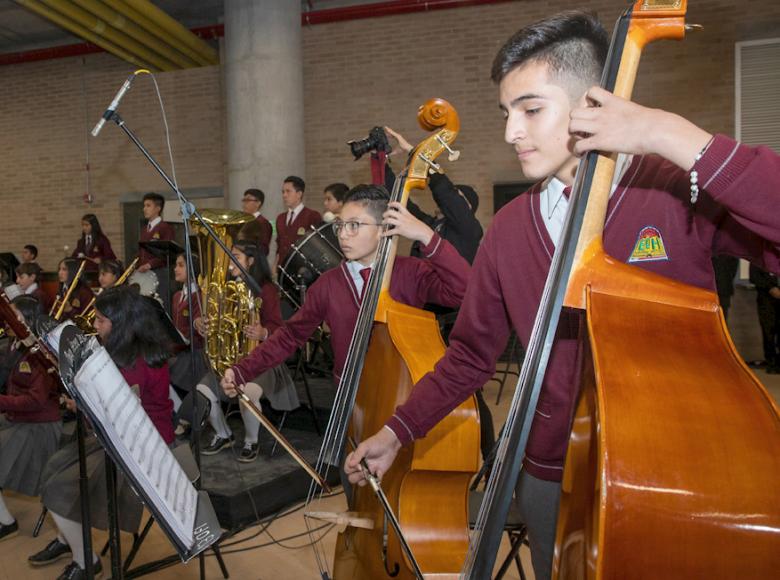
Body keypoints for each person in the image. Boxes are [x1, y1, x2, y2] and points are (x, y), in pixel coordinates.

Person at [344, 12, 780, 580]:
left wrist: (667, 135)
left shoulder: (674, 190)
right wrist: (395, 430)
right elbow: (471, 358)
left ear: (591, 104)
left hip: (681, 470)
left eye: (530, 109)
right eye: (506, 113)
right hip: (551, 469)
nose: (510, 132)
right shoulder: (507, 229)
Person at [221, 183, 471, 406]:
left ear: (383, 228)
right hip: (351, 397)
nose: (342, 234)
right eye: (340, 225)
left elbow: (463, 291)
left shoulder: (411, 271)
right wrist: (242, 371)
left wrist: (426, 236)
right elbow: (290, 335)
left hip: (406, 393)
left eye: (354, 226)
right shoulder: (328, 284)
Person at [30, 285, 173, 579]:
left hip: (143, 448)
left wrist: (79, 401)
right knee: (54, 468)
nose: (94, 326)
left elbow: (120, 415)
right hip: (120, 436)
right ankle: (67, 537)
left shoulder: (136, 361)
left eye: (100, 321)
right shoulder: (128, 348)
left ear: (120, 323)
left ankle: (86, 561)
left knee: (59, 488)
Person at [198, 241, 298, 462]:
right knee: (202, 390)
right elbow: (215, 320)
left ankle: (251, 441)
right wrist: (201, 323)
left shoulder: (266, 289)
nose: (230, 262)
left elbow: (279, 327)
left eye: (236, 257)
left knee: (247, 394)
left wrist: (263, 332)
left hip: (262, 360)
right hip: (231, 360)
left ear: (251, 261)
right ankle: (224, 433)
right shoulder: (225, 287)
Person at [0, 296, 62, 542]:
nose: (7, 321)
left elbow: (36, 401)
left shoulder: (40, 352)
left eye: (13, 315)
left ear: (26, 320)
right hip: (19, 418)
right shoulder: (16, 344)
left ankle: (6, 521)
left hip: (39, 426)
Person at [384, 126, 484, 264]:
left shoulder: (469, 229)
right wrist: (380, 161)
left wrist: (412, 150)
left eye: (459, 197)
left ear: (468, 207)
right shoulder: (430, 224)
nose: (453, 199)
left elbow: (446, 193)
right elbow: (400, 200)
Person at [137, 192, 175, 312]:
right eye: (144, 206)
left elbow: (167, 252)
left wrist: (150, 264)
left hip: (160, 273)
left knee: (160, 305)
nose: (144, 209)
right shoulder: (144, 229)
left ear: (158, 208)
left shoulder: (165, 228)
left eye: (148, 206)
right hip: (145, 274)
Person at [274, 176, 322, 267]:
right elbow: (279, 245)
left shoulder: (312, 216)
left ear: (299, 194)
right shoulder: (280, 218)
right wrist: (274, 266)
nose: (284, 195)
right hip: (282, 268)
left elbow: (317, 247)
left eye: (288, 191)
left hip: (302, 269)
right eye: (283, 192)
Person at [749, 264, 780, 373]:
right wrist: (770, 288)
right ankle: (771, 363)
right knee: (768, 332)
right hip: (766, 299)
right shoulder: (759, 255)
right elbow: (753, 276)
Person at [240, 188, 273, 256]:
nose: (244, 204)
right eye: (244, 200)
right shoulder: (242, 221)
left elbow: (264, 248)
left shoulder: (263, 223)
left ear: (258, 203)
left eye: (248, 200)